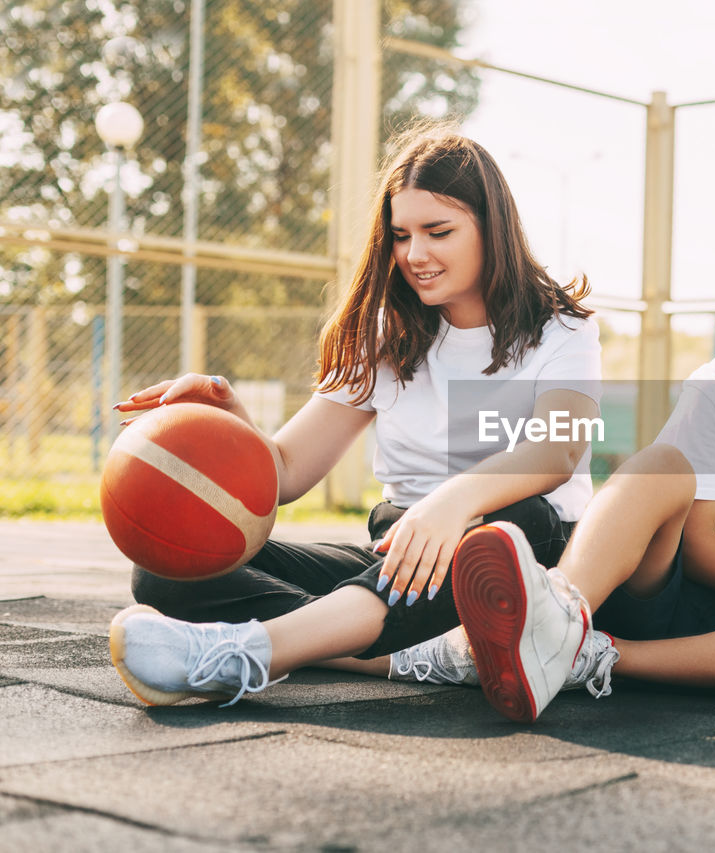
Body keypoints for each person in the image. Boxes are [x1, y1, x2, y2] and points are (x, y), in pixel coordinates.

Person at [107, 122, 607, 707]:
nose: (415, 255)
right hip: (396, 556)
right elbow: (287, 472)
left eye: (438, 231)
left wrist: (452, 503)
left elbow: (557, 452)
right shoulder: (385, 334)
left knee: (501, 533)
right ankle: (429, 656)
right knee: (171, 566)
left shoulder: (564, 328)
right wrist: (230, 423)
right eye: (401, 236)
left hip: (523, 545)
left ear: (491, 228)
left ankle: (243, 656)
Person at [417, 210, 715, 723]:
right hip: (673, 589)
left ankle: (592, 655)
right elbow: (697, 547)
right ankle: (562, 610)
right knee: (661, 465)